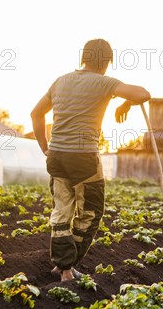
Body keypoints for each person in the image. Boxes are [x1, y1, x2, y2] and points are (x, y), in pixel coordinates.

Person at [31, 38, 150, 282]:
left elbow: (36, 113)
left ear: (83, 58)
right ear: (106, 62)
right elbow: (143, 93)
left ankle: (61, 267)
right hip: (83, 157)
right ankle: (67, 269)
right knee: (90, 213)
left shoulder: (60, 81)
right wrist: (126, 103)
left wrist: (45, 147)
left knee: (61, 211)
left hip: (56, 156)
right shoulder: (104, 82)